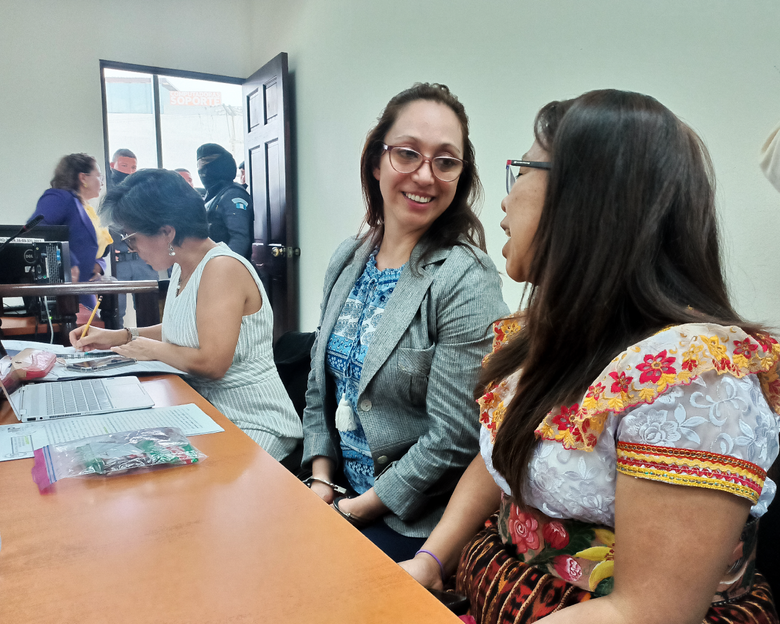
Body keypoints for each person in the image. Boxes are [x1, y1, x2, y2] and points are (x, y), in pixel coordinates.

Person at [399, 89, 780, 624]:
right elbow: (502, 456)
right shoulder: (551, 334)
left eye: (522, 171)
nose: (504, 202)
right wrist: (431, 560)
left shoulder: (692, 378)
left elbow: (649, 610)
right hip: (499, 592)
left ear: (587, 198)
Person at [302, 83, 508, 562]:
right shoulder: (347, 257)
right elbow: (319, 386)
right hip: (333, 487)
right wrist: (320, 478)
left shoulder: (465, 276)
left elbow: (455, 436)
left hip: (411, 518)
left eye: (445, 161)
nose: (425, 175)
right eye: (408, 153)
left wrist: (356, 509)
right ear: (377, 161)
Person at [70, 169, 303, 468]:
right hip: (206, 410)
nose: (132, 249)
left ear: (167, 232)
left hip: (252, 420)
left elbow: (212, 363)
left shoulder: (222, 268)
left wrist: (150, 349)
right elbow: (183, 327)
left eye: (132, 238)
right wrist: (121, 336)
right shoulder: (183, 265)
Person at [31, 153, 106, 306]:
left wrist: (99, 265)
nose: (102, 182)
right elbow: (38, 230)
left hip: (84, 288)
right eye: (99, 176)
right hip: (65, 290)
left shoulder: (86, 208)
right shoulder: (59, 198)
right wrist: (69, 262)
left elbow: (93, 246)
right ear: (83, 177)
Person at [107, 148, 159, 325]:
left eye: (133, 167)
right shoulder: (106, 192)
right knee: (116, 313)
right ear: (112, 165)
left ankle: (151, 344)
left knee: (150, 310)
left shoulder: (144, 191)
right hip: (118, 260)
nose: (129, 171)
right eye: (124, 166)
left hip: (143, 259)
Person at [196, 144, 253, 259]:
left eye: (207, 162)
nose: (202, 169)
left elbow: (239, 238)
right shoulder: (213, 196)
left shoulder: (233, 194)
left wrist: (226, 265)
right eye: (200, 164)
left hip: (226, 264)